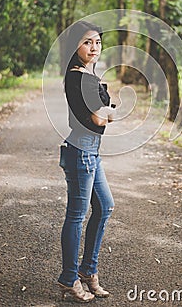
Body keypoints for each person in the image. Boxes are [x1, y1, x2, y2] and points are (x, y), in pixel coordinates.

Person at [58, 20, 115, 303]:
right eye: (87, 42)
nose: (93, 48)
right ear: (75, 46)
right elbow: (98, 119)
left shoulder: (87, 75)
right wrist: (111, 112)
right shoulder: (79, 77)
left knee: (105, 206)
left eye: (97, 42)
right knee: (76, 216)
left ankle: (87, 271)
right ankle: (69, 278)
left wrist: (107, 111)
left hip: (91, 151)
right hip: (81, 152)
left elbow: (103, 114)